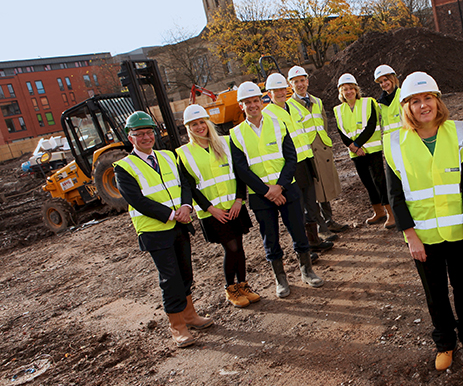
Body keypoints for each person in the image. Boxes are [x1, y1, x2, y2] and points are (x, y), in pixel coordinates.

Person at [384, 72, 463, 371]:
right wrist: (409, 235)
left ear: (438, 101)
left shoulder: (460, 132)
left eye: (428, 99)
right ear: (406, 107)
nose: (423, 106)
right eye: (415, 101)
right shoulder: (394, 142)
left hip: (460, 231)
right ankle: (444, 344)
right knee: (434, 293)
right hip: (423, 237)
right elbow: (395, 195)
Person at [114, 111, 213, 348]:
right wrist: (171, 214)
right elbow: (137, 200)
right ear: (131, 138)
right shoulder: (123, 167)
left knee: (186, 272)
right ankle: (177, 326)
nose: (146, 137)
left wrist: (186, 207)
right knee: (170, 278)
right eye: (140, 134)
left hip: (180, 225)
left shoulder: (168, 156)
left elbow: (185, 184)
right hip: (154, 231)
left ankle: (190, 315)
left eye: (149, 133)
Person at [229, 81, 324, 299]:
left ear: (261, 101)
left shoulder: (278, 123)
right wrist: (266, 191)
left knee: (298, 231)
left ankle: (307, 270)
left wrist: (279, 186)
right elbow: (241, 169)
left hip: (286, 190)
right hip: (261, 197)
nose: (253, 105)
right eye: (247, 102)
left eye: (255, 101)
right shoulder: (236, 134)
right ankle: (280, 278)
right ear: (241, 105)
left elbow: (291, 158)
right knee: (269, 238)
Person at [176, 104, 256, 309]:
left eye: (202, 122)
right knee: (232, 248)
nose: (200, 126)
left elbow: (239, 173)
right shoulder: (183, 153)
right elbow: (190, 187)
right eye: (194, 124)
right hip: (212, 212)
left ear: (208, 123)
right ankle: (231, 288)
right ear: (188, 127)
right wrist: (210, 208)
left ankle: (243, 285)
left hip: (234, 206)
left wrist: (239, 199)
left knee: (239, 247)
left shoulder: (226, 143)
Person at [264, 73, 334, 254]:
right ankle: (305, 247)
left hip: (306, 162)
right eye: (275, 90)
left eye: (282, 89)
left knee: (310, 204)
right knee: (298, 209)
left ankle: (314, 240)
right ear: (269, 93)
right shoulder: (268, 115)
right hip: (290, 167)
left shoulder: (293, 107)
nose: (280, 93)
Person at [287, 66, 348, 241]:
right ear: (291, 84)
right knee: (313, 190)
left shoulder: (318, 101)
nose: (300, 84)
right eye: (296, 82)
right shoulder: (289, 106)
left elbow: (324, 123)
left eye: (302, 80)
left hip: (321, 148)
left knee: (325, 186)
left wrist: (325, 143)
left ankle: (330, 220)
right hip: (306, 152)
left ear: (307, 81)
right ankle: (321, 226)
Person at [333, 73, 395, 228]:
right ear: (341, 92)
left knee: (379, 181)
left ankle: (390, 213)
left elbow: (372, 124)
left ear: (356, 89)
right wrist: (352, 147)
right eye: (345, 89)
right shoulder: (338, 109)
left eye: (351, 89)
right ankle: (378, 211)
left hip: (372, 149)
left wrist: (358, 144)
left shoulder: (369, 103)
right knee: (367, 182)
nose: (348, 92)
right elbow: (341, 131)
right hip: (355, 152)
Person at [374, 64, 402, 138]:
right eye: (381, 82)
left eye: (385, 80)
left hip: (404, 141)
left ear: (392, 78)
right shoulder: (381, 103)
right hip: (390, 143)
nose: (384, 84)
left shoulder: (402, 96)